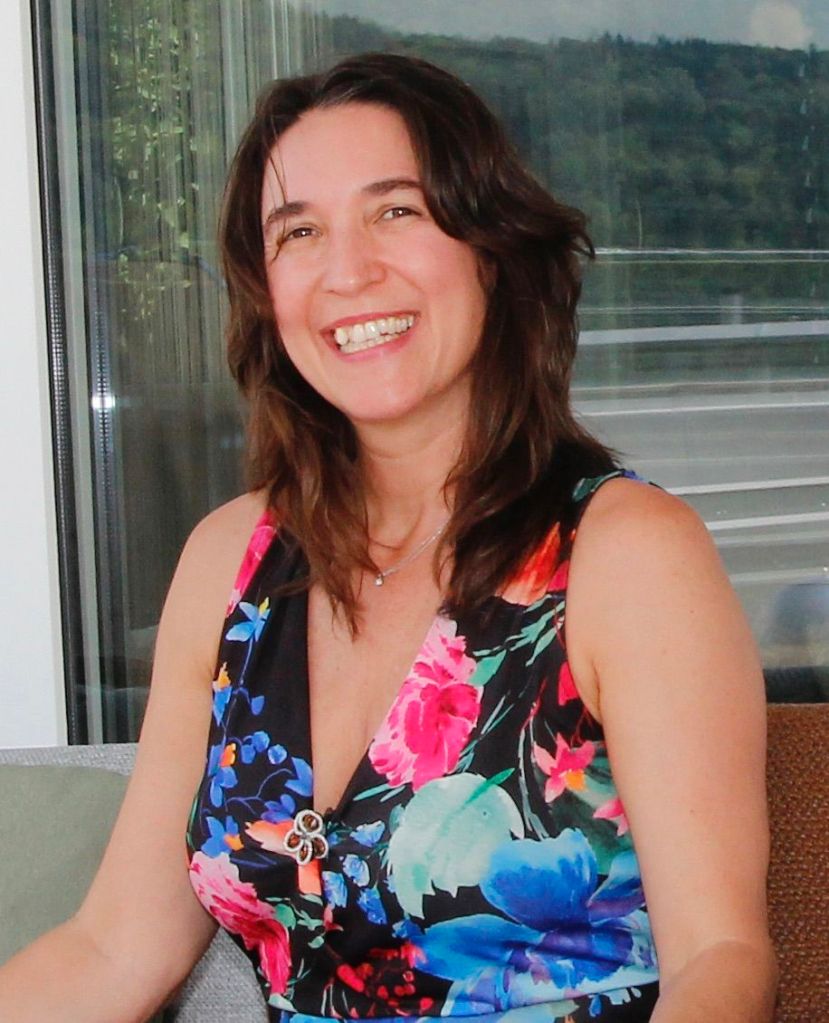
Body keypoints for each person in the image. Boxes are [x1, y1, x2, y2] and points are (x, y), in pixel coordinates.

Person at [0, 52, 776, 1022]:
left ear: (491, 249)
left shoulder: (627, 554)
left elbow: (720, 959)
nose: (348, 271)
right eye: (299, 232)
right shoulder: (228, 562)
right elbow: (114, 950)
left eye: (396, 210)